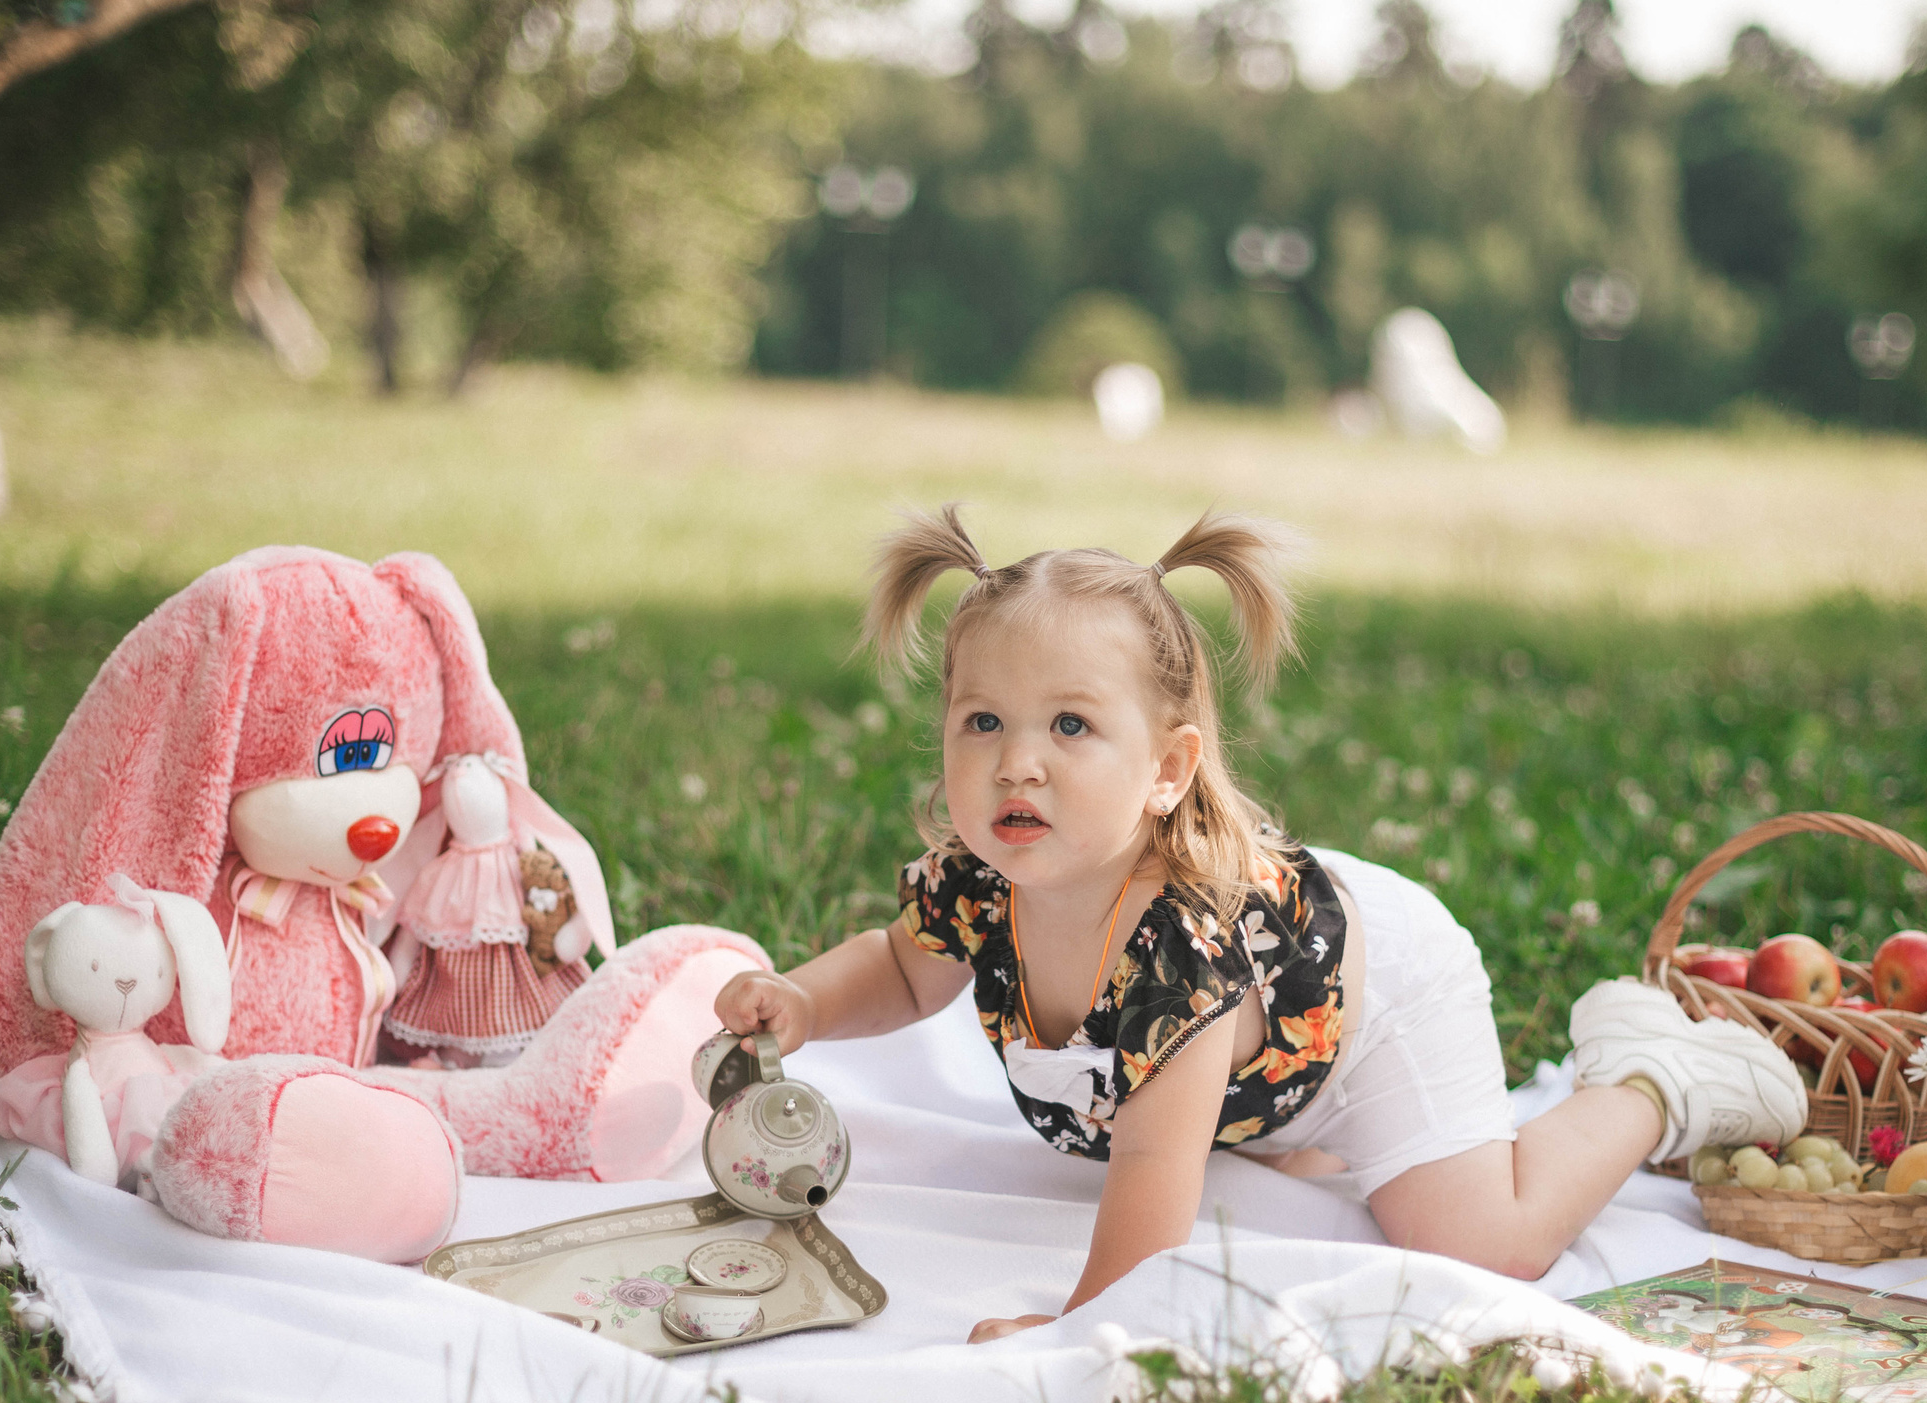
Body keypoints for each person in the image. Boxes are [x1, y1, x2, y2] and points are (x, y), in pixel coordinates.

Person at [714, 507, 1805, 1342]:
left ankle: (1648, 1078)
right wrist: (805, 999)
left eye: (1071, 725)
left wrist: (1080, 1329)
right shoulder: (979, 881)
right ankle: (1299, 1132)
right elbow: (903, 971)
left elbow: (1153, 1171)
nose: (1018, 761)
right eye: (983, 720)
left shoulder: (1177, 952)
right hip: (1273, 1049)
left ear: (1167, 769)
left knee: (1484, 1244)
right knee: (1278, 1176)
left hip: (1383, 1002)